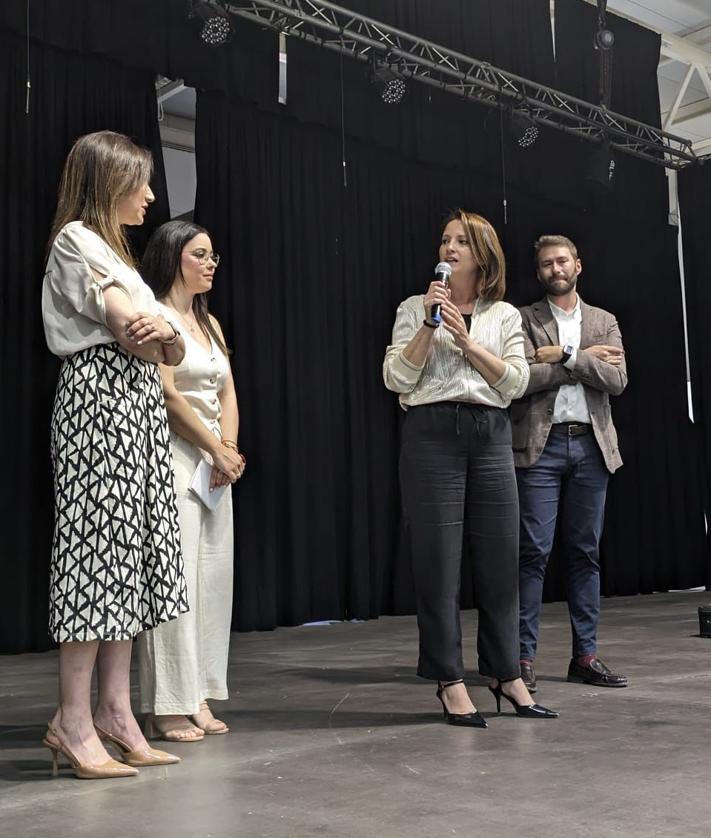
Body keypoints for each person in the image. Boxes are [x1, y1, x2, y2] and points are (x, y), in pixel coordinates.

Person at [41, 130, 188, 779]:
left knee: (128, 561)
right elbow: (135, 334)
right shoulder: (77, 239)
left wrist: (166, 338)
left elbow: (171, 350)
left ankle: (115, 712)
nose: (152, 196)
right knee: (93, 555)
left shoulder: (120, 256)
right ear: (111, 183)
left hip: (137, 410)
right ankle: (72, 719)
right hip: (100, 401)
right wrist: (158, 334)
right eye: (142, 183)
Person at [383, 209, 558, 725]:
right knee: (438, 563)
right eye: (444, 241)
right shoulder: (414, 306)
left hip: (490, 435)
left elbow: (515, 383)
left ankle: (506, 675)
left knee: (501, 559)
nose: (449, 249)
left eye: (461, 242)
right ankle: (449, 680)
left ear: (483, 255)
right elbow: (396, 377)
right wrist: (430, 326)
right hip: (431, 434)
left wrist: (466, 340)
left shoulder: (503, 315)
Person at [137, 221, 244, 742]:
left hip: (213, 468)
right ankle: (167, 702)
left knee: (213, 580)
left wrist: (230, 450)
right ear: (174, 256)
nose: (210, 263)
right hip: (176, 459)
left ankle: (198, 691)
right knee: (175, 581)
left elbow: (227, 393)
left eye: (213, 255)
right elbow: (169, 396)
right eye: (200, 254)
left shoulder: (211, 324)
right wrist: (213, 447)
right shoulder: (155, 315)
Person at [511, 234, 628, 691]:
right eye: (545, 264)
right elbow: (520, 379)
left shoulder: (604, 320)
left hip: (592, 449)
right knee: (532, 554)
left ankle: (586, 656)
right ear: (539, 272)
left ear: (578, 265)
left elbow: (617, 380)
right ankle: (520, 660)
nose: (554, 269)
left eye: (561, 261)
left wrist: (562, 354)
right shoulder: (523, 319)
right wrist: (582, 360)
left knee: (585, 555)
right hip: (540, 449)